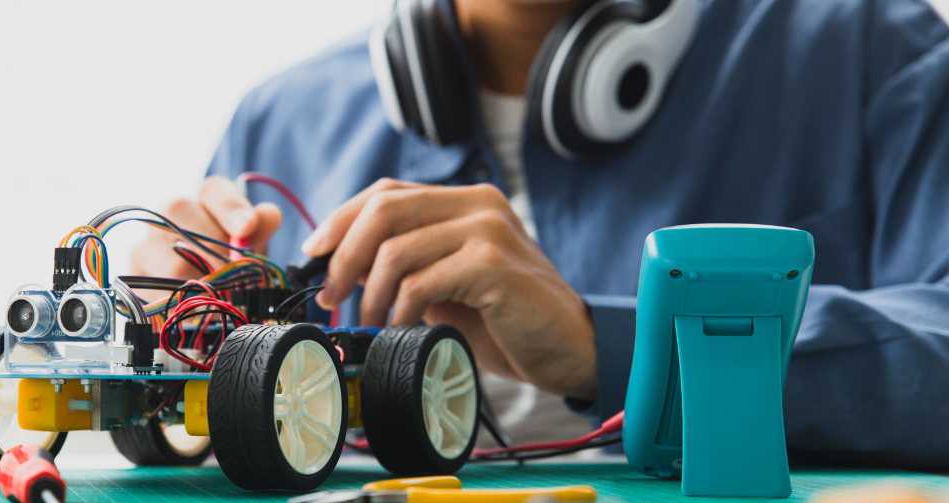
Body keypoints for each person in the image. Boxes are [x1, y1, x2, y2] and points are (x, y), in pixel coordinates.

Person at [131, 0, 949, 469]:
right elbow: (203, 430)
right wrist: (163, 334)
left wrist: (608, 349)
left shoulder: (874, 53)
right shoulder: (284, 120)